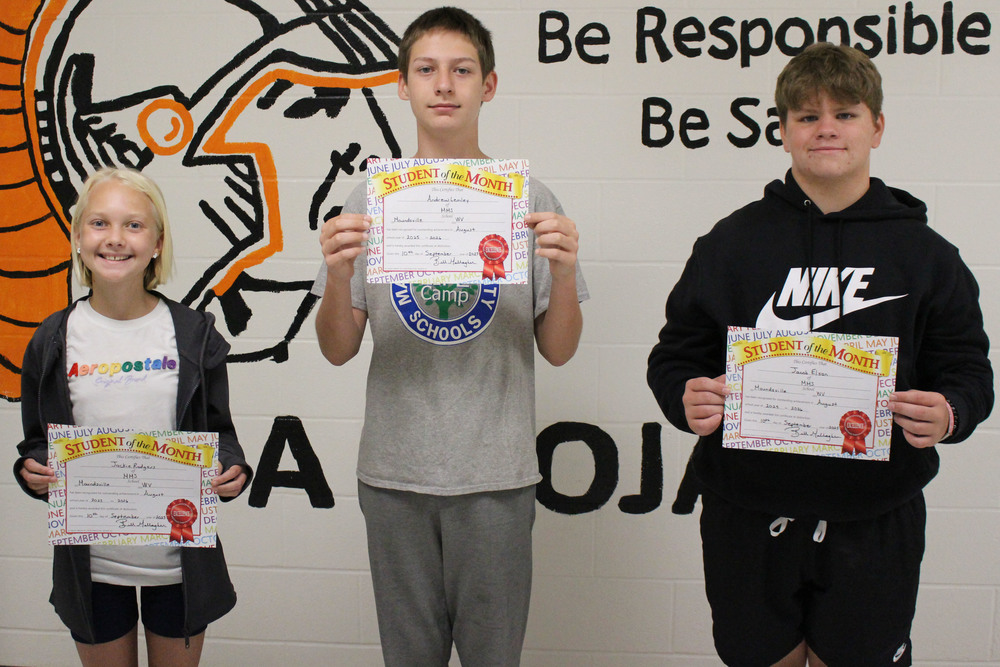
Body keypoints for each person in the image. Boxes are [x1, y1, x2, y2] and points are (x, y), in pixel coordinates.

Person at [647, 43, 993, 667]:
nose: (826, 128)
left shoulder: (927, 254)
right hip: (746, 515)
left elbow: (969, 370)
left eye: (846, 114)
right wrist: (685, 395)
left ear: (877, 127)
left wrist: (950, 412)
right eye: (807, 116)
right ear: (782, 130)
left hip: (874, 520)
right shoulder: (731, 242)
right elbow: (675, 355)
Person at [312, 6, 588, 665]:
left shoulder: (527, 196)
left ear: (487, 86)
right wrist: (334, 272)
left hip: (496, 472)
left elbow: (558, 347)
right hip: (394, 470)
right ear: (401, 85)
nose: (444, 85)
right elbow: (337, 346)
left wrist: (567, 271)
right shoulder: (368, 199)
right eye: (427, 70)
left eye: (461, 70)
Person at [14, 167, 253, 665]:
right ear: (78, 238)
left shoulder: (193, 335)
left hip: (178, 564)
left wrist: (231, 468)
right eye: (99, 223)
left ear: (158, 243)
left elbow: (220, 435)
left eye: (134, 225)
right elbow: (37, 443)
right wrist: (32, 470)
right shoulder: (52, 339)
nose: (116, 239)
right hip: (92, 567)